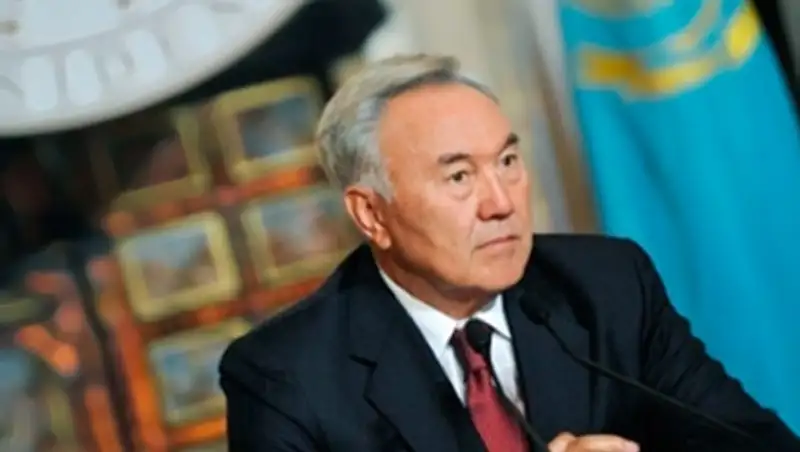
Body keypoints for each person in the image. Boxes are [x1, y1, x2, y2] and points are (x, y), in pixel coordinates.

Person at [219, 54, 800, 452]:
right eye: (458, 177)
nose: (501, 203)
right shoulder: (286, 377)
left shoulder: (608, 287)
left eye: (508, 162)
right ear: (372, 214)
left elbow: (756, 443)